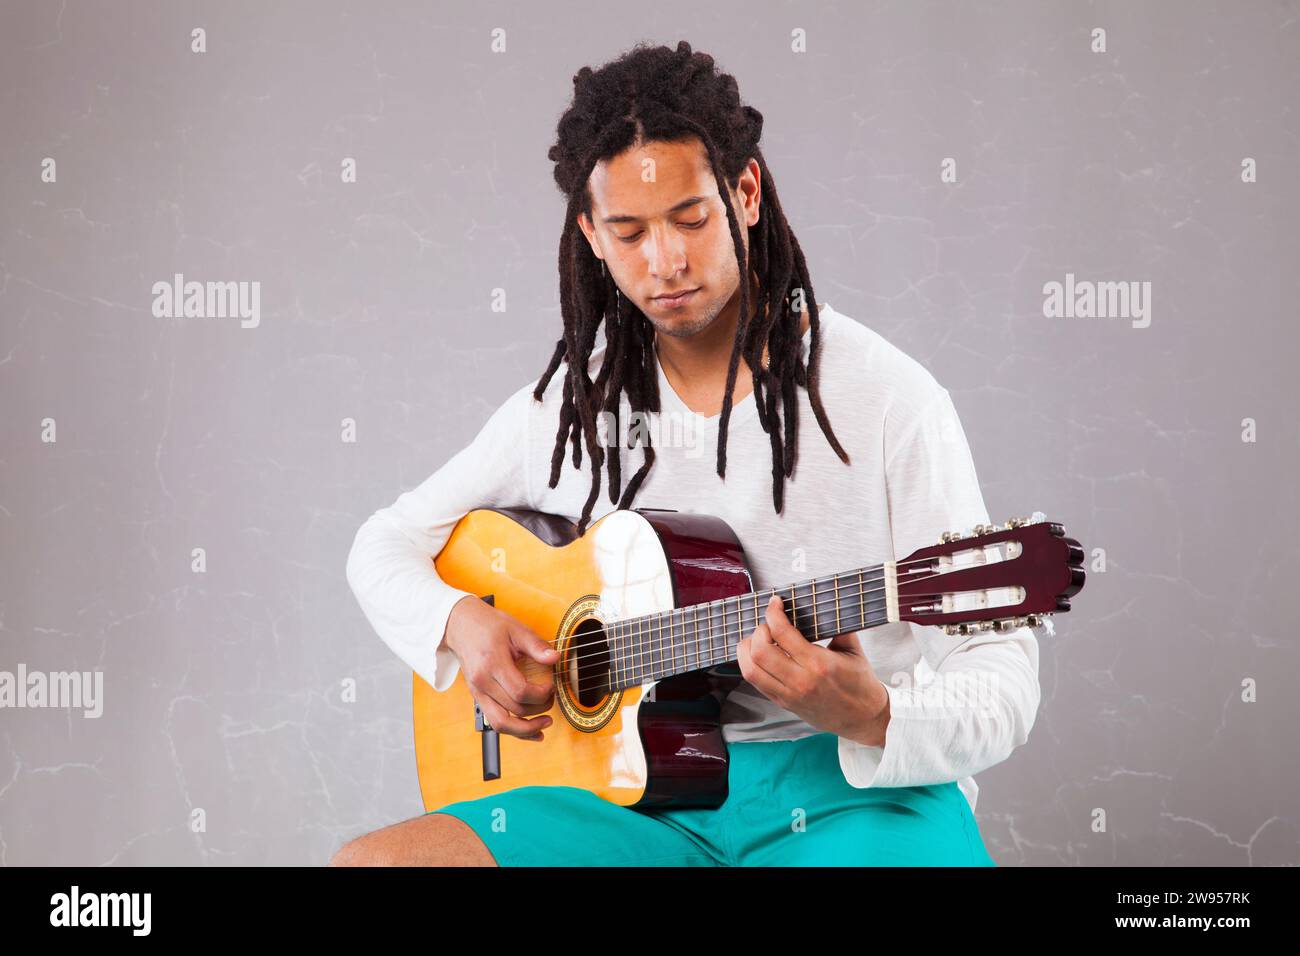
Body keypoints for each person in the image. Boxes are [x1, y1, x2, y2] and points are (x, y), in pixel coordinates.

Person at [330, 40, 1038, 867]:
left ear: (744, 193)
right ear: (591, 235)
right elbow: (382, 546)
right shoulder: (572, 407)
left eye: (690, 220)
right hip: (638, 802)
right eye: (628, 232)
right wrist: (466, 625)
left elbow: (1002, 673)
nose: (665, 262)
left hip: (857, 796)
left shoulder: (890, 401)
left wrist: (872, 712)